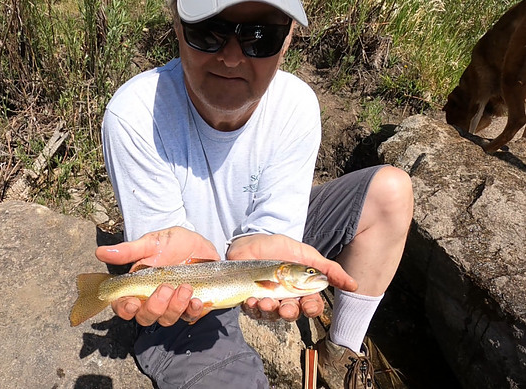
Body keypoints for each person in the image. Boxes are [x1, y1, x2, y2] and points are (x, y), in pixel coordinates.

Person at [96, 0, 414, 387]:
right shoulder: (134, 114)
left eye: (259, 37)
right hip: (189, 280)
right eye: (208, 32)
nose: (231, 58)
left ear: (288, 38)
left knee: (390, 191)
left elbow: (273, 227)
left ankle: (342, 351)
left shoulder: (296, 103)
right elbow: (167, 257)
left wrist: (262, 245)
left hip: (262, 253)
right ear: (177, 26)